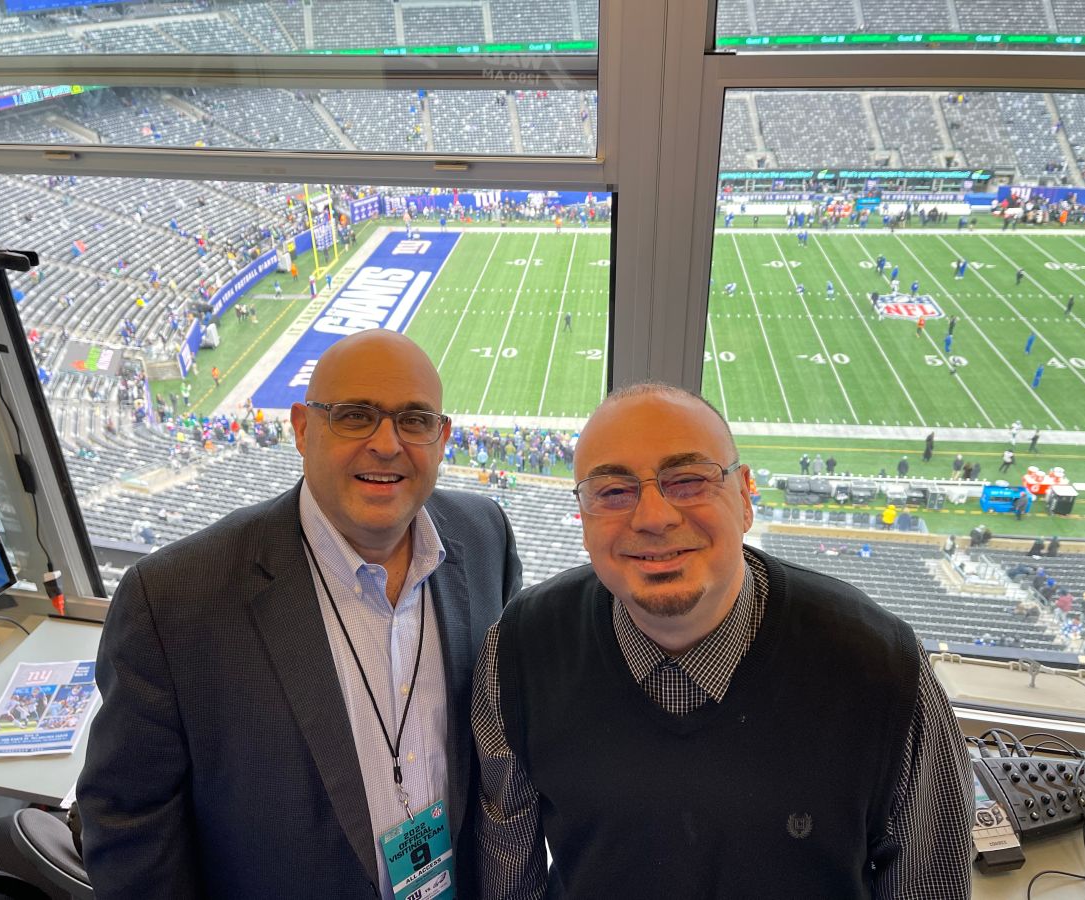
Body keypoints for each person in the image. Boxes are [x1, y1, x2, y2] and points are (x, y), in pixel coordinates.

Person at [473, 384, 972, 898]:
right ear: (584, 514)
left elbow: (928, 885)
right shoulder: (517, 653)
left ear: (745, 496)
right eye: (613, 492)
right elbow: (511, 878)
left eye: (688, 481)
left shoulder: (879, 666)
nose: (653, 517)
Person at [78, 331, 523, 900]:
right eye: (355, 416)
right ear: (303, 428)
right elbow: (128, 827)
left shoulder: (484, 536)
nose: (387, 444)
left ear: (442, 438)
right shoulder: (171, 601)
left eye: (414, 419)